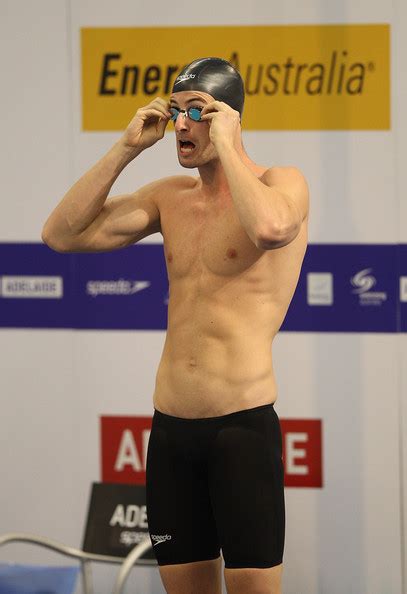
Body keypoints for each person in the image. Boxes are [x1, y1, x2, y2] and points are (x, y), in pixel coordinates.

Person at [42, 57, 309, 594]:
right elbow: (61, 235)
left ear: (230, 118)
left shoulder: (282, 184)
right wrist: (125, 148)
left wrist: (229, 143)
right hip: (170, 436)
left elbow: (271, 228)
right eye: (176, 110)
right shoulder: (170, 198)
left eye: (197, 112)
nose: (181, 125)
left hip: (241, 430)